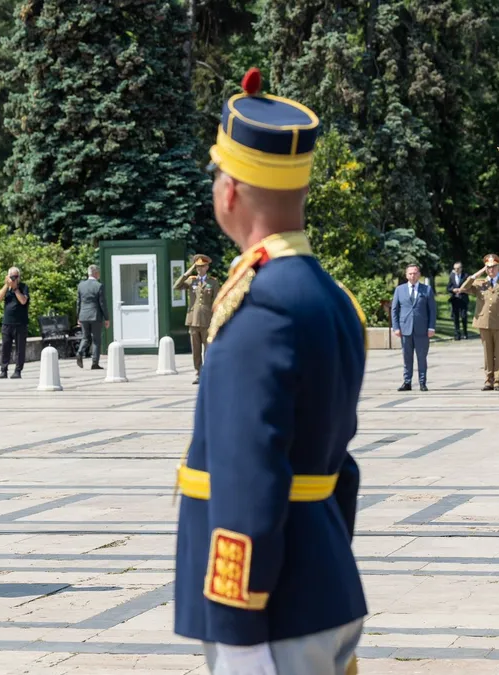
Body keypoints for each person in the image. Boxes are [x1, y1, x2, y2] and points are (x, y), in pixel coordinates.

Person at [174, 68, 366, 675]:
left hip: (270, 606)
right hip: (318, 573)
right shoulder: (330, 296)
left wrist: (236, 618)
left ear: (229, 191)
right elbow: (342, 466)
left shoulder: (259, 305)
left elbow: (248, 473)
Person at [459, 254, 499, 391]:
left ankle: (497, 380)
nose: (491, 270)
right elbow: (463, 288)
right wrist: (477, 274)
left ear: (498, 268)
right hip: (484, 323)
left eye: (494, 267)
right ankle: (488, 380)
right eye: (488, 268)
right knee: (487, 353)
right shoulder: (479, 283)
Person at [174, 254, 219, 384]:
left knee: (208, 348)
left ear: (207, 267)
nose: (199, 269)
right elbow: (176, 286)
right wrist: (188, 272)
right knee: (196, 349)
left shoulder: (212, 282)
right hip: (192, 319)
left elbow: (216, 301)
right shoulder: (191, 280)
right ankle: (198, 373)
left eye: (202, 267)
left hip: (207, 320)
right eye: (197, 267)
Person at [391, 264, 437, 392]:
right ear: (406, 275)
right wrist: (396, 327)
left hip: (422, 330)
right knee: (407, 358)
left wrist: (431, 327)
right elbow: (394, 310)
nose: (413, 275)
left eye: (415, 273)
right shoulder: (399, 290)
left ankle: (422, 382)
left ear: (419, 275)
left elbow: (432, 310)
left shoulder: (426, 290)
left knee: (422, 357)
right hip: (405, 329)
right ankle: (407, 382)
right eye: (410, 273)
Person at [0, 267, 29, 379]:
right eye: (11, 277)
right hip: (7, 323)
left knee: (20, 349)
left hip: (20, 324)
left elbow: (23, 301)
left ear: (19, 277)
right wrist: (6, 285)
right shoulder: (6, 288)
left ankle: (18, 371)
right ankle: (3, 370)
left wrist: (15, 289)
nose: (13, 279)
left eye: (15, 277)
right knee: (5, 347)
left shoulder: (23, 287)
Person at [75, 264, 108, 370]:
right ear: (96, 273)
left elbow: (78, 303)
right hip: (95, 316)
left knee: (85, 337)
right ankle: (95, 363)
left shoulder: (81, 285)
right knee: (96, 340)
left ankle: (80, 352)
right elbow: (102, 303)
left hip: (83, 315)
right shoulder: (99, 286)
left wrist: (78, 316)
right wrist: (107, 318)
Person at [446, 262, 469, 340]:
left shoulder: (465, 276)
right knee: (455, 317)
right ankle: (457, 334)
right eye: (455, 268)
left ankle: (465, 333)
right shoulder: (452, 276)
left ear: (461, 268)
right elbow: (448, 287)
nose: (456, 270)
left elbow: (469, 287)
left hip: (463, 299)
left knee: (463, 317)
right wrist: (453, 290)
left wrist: (462, 290)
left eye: (458, 268)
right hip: (455, 299)